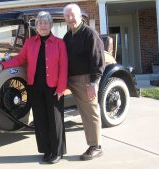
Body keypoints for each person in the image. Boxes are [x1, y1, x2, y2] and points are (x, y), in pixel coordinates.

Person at [0, 11, 68, 164]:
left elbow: (64, 66)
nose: (42, 26)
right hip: (35, 87)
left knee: (55, 120)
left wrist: (61, 88)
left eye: (45, 23)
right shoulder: (30, 42)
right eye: (40, 23)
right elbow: (20, 59)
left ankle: (57, 151)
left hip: (53, 88)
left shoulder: (59, 43)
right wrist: (3, 65)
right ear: (36, 26)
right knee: (40, 121)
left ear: (50, 25)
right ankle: (47, 151)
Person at [63, 4, 105, 161]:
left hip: (85, 79)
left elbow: (98, 60)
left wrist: (94, 82)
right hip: (69, 78)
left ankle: (96, 146)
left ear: (80, 16)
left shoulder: (90, 34)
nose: (70, 18)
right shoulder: (68, 36)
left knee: (90, 112)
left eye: (73, 15)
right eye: (67, 16)